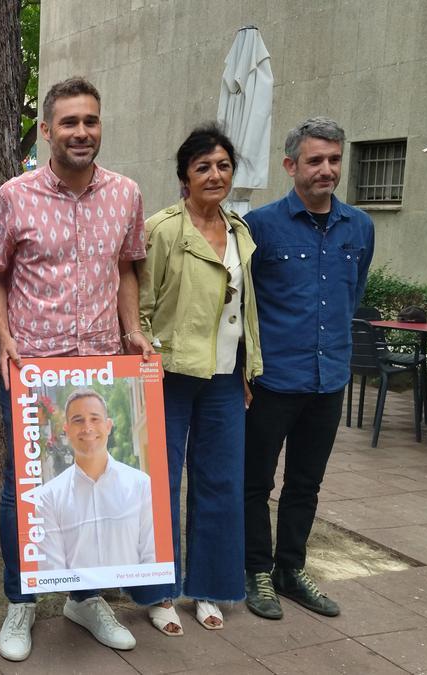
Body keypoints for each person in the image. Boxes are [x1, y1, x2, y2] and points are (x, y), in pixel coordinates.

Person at [0, 76, 153, 662]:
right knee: (26, 489)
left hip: (104, 365)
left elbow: (128, 268)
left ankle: (85, 599)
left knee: (96, 486)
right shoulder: (14, 196)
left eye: (91, 121)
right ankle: (22, 599)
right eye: (69, 122)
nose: (81, 132)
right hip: (36, 369)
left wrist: (132, 329)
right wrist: (6, 340)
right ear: (47, 130)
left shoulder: (127, 194)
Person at [132, 124, 262, 636]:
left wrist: (249, 367)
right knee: (159, 483)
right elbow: (140, 305)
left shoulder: (240, 231)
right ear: (184, 175)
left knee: (221, 483)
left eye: (223, 165)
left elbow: (245, 308)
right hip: (169, 374)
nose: (215, 174)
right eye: (203, 166)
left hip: (226, 377)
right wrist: (144, 360)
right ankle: (158, 592)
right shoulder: (163, 229)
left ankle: (208, 586)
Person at [243, 117, 374, 621]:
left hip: (329, 379)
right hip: (273, 380)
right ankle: (256, 569)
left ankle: (290, 569)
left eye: (334, 159)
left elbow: (352, 292)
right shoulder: (260, 226)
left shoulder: (360, 227)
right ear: (290, 164)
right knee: (256, 481)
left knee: (306, 483)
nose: (327, 169)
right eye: (315, 160)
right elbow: (245, 303)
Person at [35, 389, 155, 571]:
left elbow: (152, 556)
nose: (87, 427)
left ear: (108, 426)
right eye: (78, 420)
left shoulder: (141, 485)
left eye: (94, 418)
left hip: (134, 597)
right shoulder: (48, 497)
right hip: (79, 599)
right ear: (66, 430)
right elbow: (52, 571)